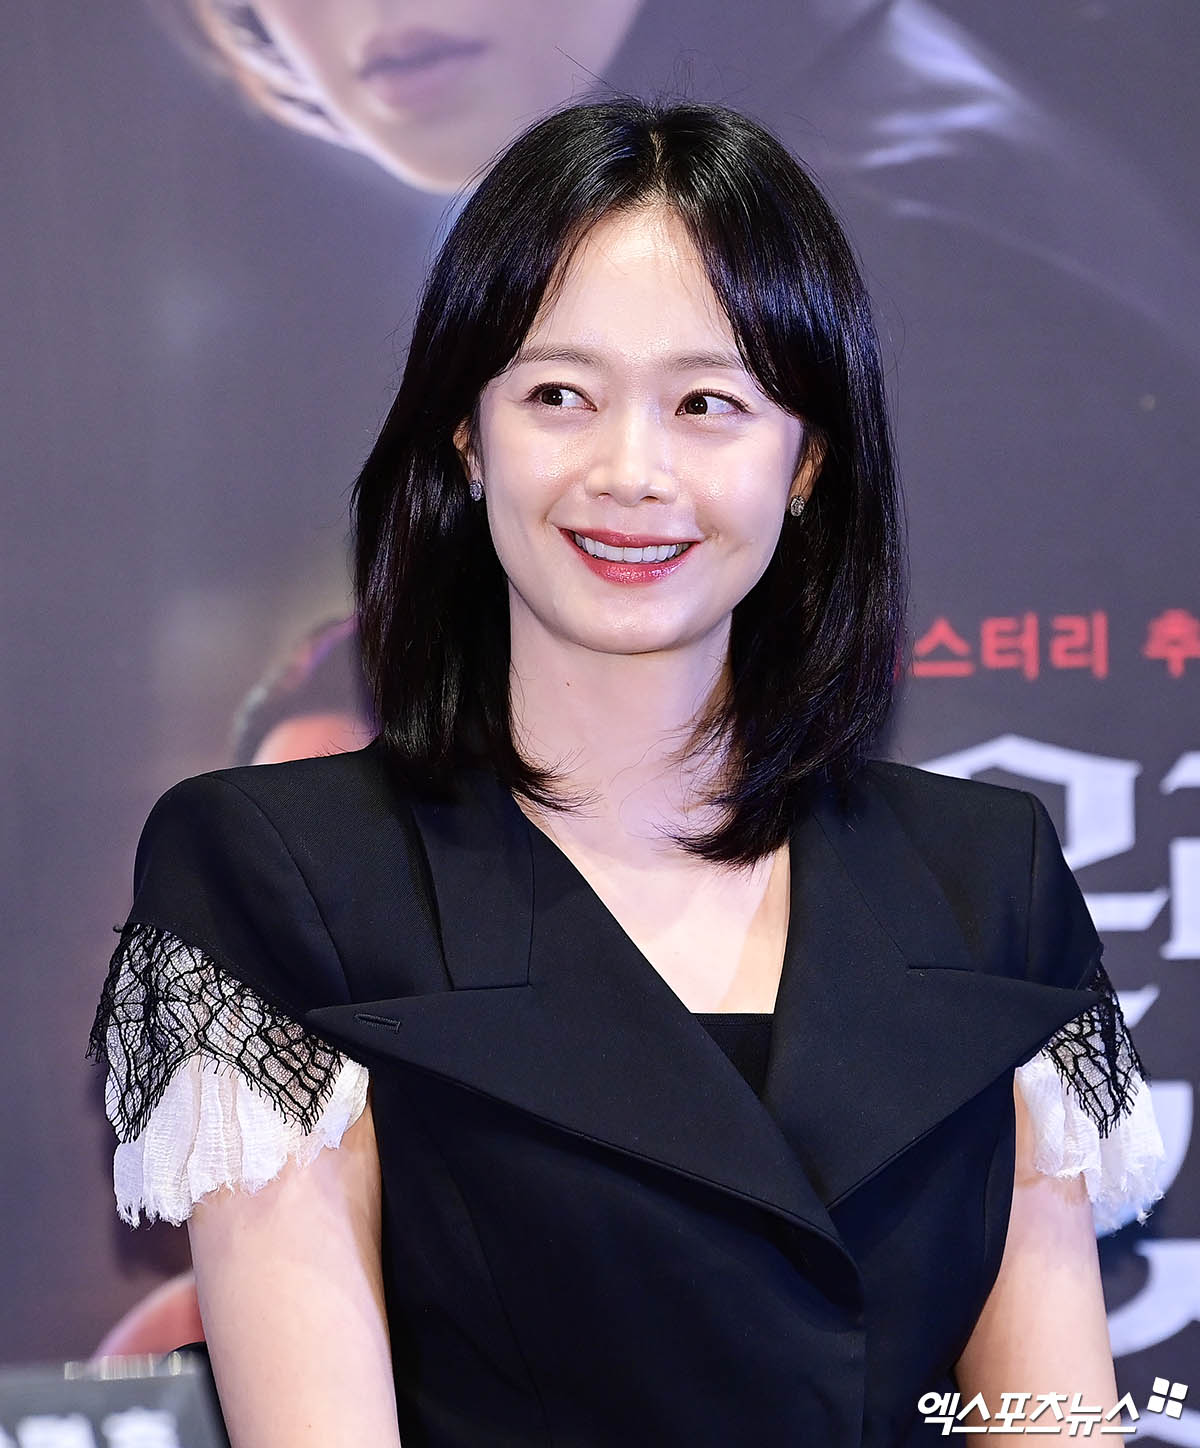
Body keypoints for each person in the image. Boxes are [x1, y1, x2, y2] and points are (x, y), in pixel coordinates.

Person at [88, 98, 1167, 1445]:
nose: (631, 471)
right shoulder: (281, 873)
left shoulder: (983, 878)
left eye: (708, 404)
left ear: (807, 459)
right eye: (560, 396)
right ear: (468, 435)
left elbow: (1050, 1419)